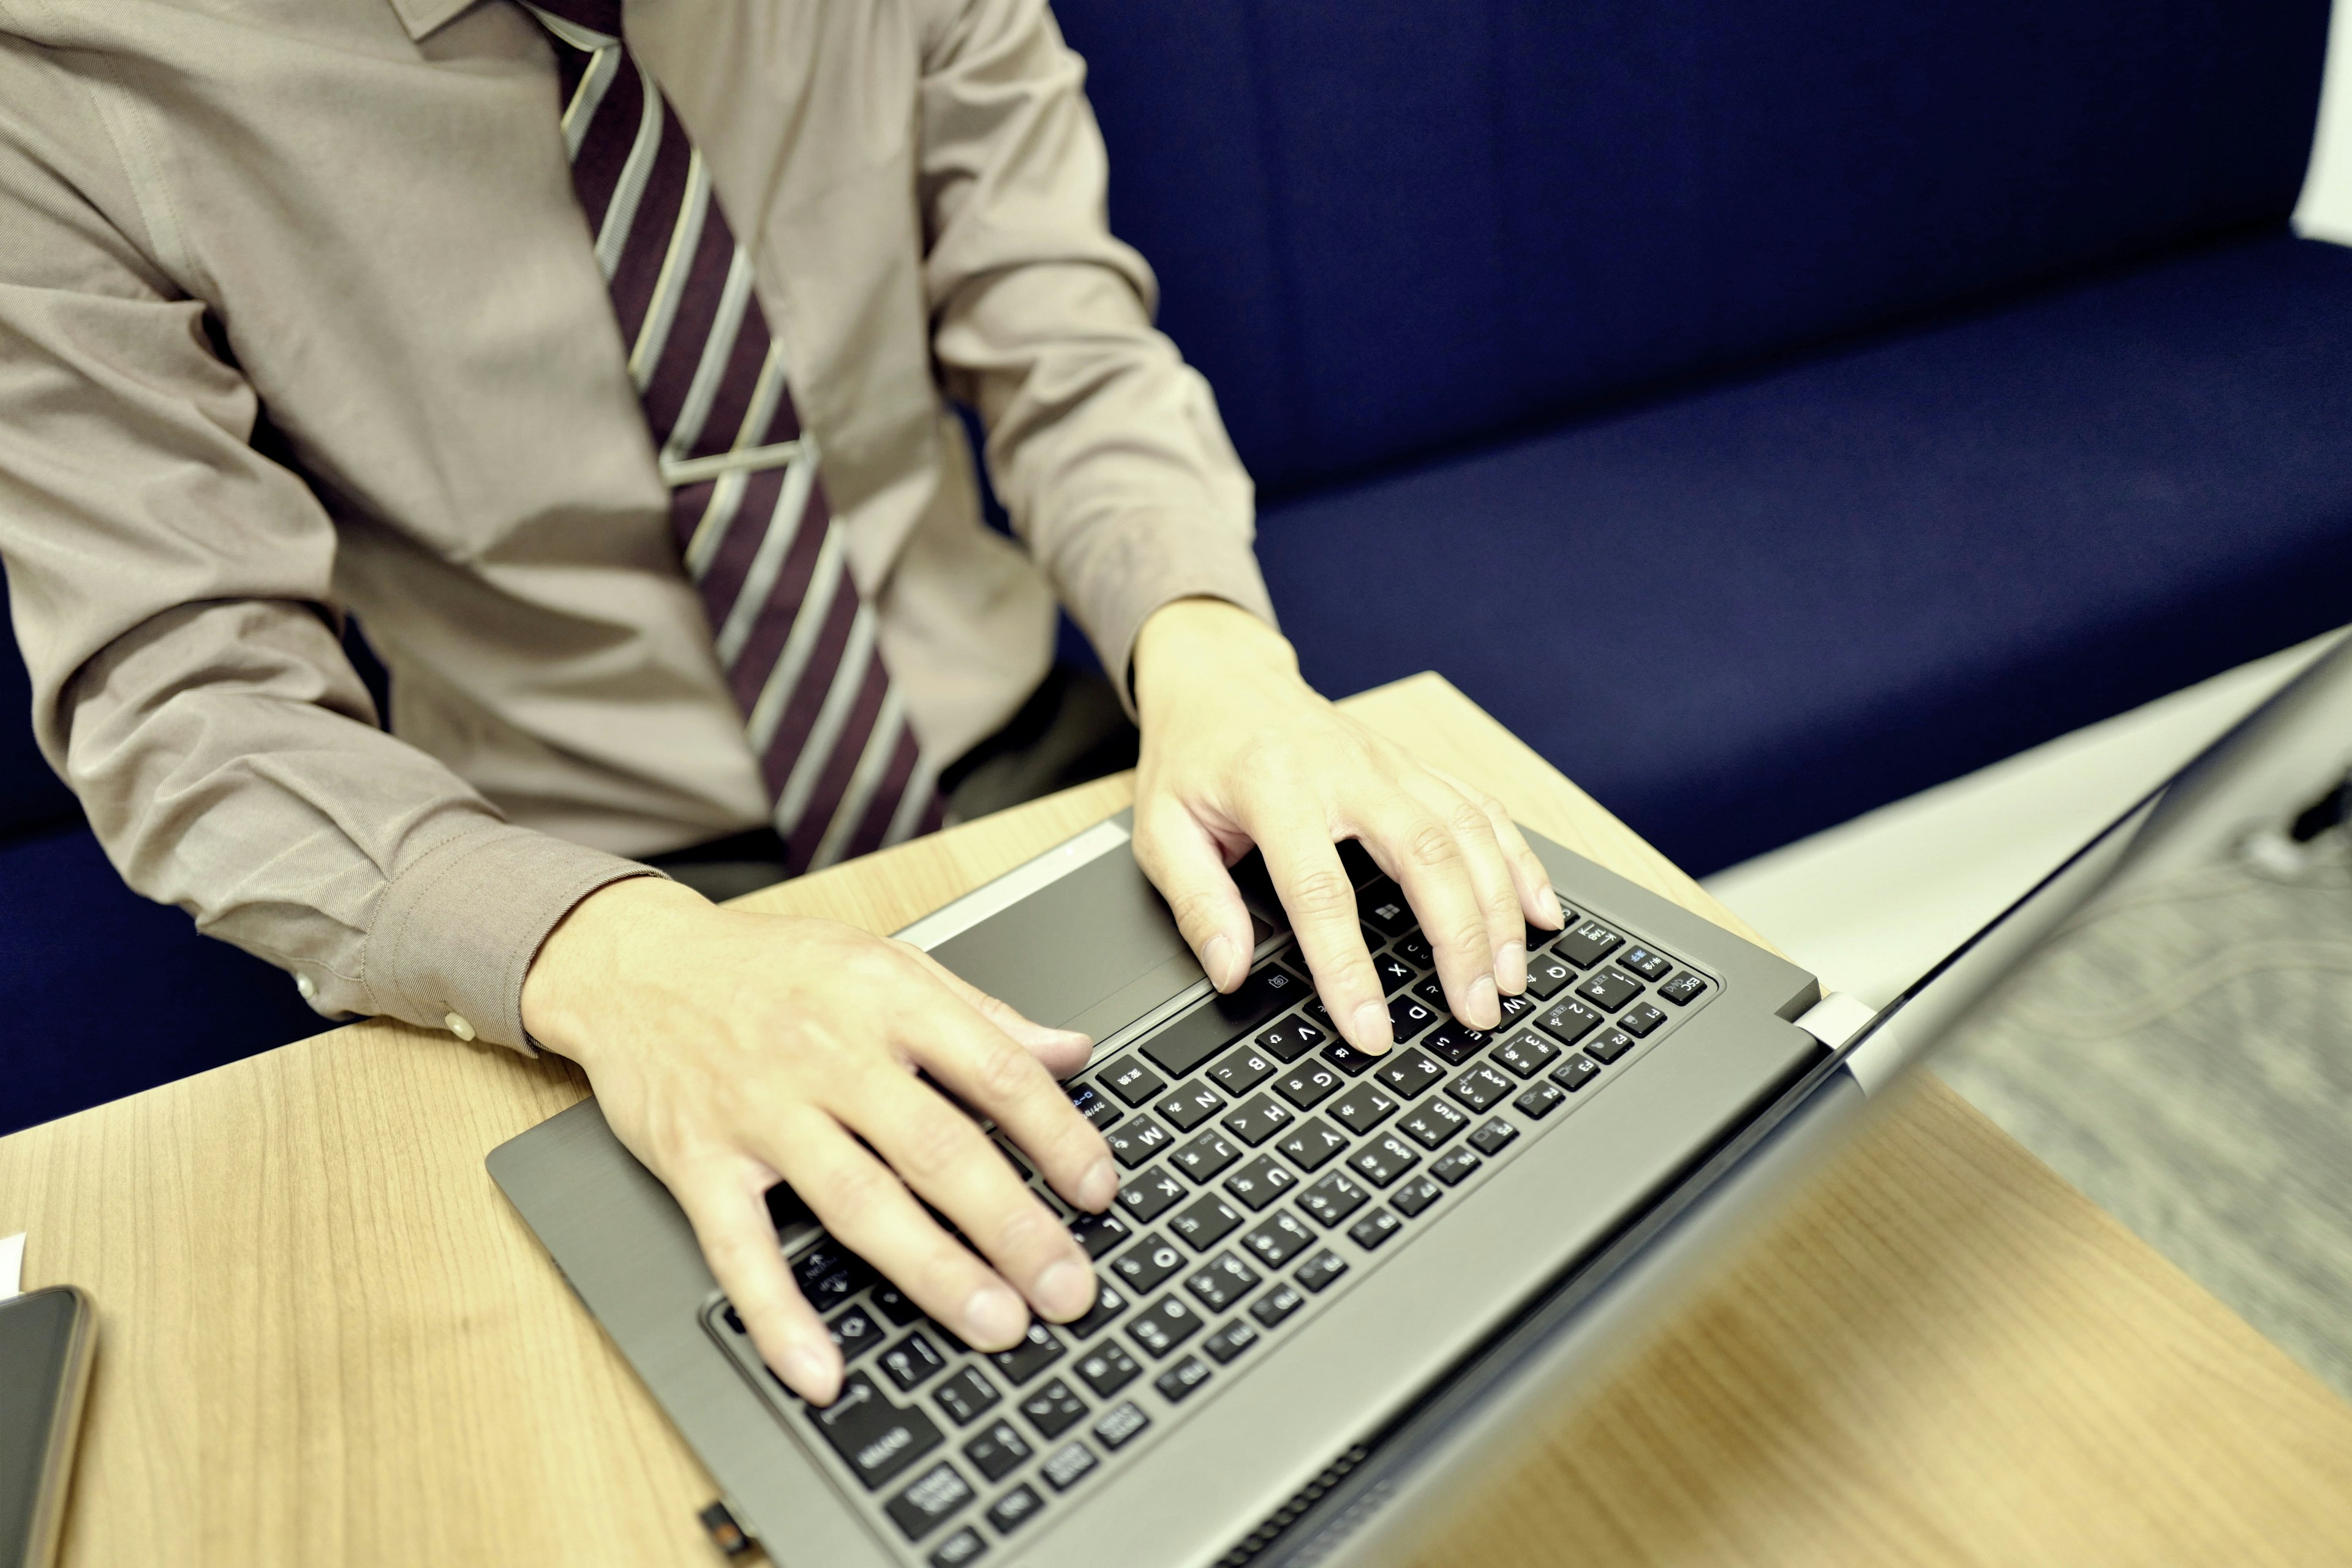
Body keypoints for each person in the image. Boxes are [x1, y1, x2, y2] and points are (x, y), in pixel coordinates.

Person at [0, 0, 1561, 1404]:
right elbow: (188, 693)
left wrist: (1217, 653)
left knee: (1447, 1187)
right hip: (582, 903)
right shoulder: (69, 66)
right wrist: (607, 953)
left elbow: (1064, 336)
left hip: (1031, 752)